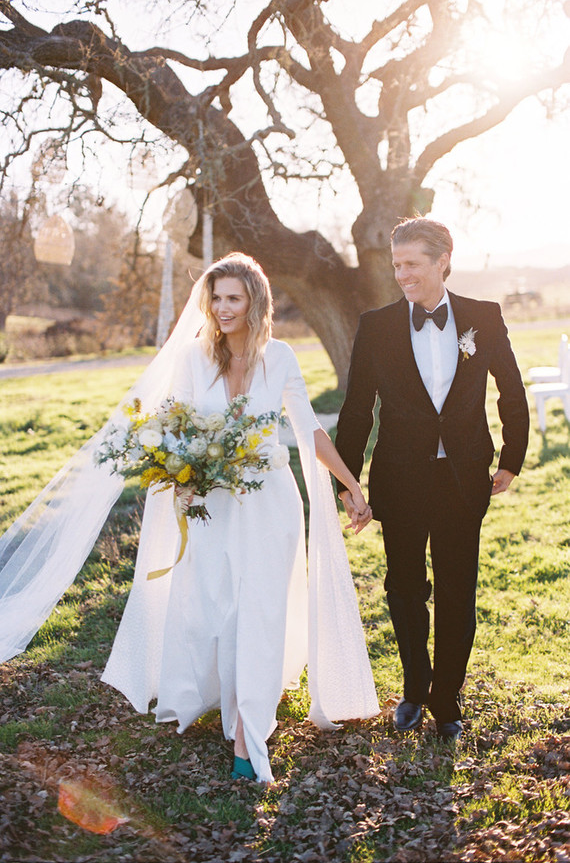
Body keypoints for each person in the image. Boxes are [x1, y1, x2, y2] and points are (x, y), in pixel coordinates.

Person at [0, 252, 379, 784]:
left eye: (234, 298)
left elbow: (310, 429)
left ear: (255, 301)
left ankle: (248, 732)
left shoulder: (283, 357)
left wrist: (348, 481)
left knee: (260, 609)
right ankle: (215, 692)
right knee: (217, 609)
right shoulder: (194, 360)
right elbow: (171, 427)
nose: (223, 309)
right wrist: (182, 469)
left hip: (269, 502)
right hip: (209, 504)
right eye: (216, 298)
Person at [335, 217, 529, 741]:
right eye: (396, 265)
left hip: (465, 477)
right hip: (398, 478)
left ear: (443, 260)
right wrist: (347, 483)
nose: (402, 275)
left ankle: (448, 697)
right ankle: (415, 687)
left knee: (457, 588)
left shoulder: (483, 318)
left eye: (412, 264)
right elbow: (357, 410)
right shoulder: (375, 325)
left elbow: (510, 390)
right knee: (403, 587)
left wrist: (512, 457)